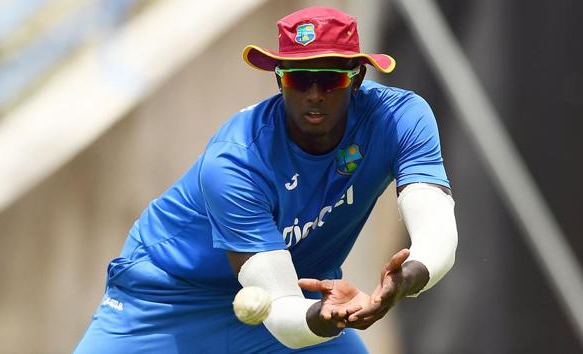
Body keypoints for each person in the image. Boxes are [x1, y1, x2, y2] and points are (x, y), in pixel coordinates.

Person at [74, 6, 458, 354]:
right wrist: (321, 319)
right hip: (166, 300)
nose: (313, 95)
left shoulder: (399, 119)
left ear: (357, 77)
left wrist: (402, 282)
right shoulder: (234, 160)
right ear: (278, 80)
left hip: (294, 298)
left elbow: (435, 229)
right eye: (298, 78)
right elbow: (277, 310)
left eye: (329, 79)